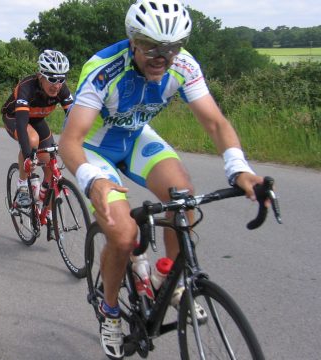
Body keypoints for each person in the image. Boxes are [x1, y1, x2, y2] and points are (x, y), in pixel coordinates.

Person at [58, 0, 267, 358]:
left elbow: (215, 123)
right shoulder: (104, 69)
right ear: (133, 40)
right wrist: (92, 180)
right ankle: (110, 313)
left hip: (137, 137)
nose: (162, 56)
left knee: (183, 195)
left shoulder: (183, 65)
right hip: (96, 147)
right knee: (123, 235)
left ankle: (167, 279)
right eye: (152, 45)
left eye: (171, 47)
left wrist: (239, 167)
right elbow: (70, 141)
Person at [1, 50, 74, 222]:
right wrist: (28, 156)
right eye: (52, 79)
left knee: (49, 161)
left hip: (37, 119)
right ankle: (23, 188)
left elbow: (73, 118)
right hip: (15, 117)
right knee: (32, 140)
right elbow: (21, 122)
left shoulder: (61, 90)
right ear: (40, 75)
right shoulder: (27, 87)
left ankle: (45, 207)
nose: (57, 85)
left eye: (61, 79)